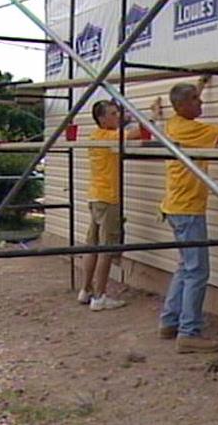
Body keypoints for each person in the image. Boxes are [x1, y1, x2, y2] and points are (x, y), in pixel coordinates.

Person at [157, 80, 218, 354]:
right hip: (188, 209)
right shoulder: (191, 129)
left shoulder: (175, 122)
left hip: (176, 207)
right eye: (195, 100)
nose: (200, 103)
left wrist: (200, 86)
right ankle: (189, 332)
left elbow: (187, 102)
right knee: (198, 271)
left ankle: (169, 321)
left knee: (186, 267)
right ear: (181, 106)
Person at [78, 99, 141, 311]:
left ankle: (86, 290)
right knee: (106, 249)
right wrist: (139, 117)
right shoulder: (108, 137)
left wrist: (124, 120)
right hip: (108, 199)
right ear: (102, 118)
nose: (117, 117)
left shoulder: (96, 135)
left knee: (92, 246)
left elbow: (122, 132)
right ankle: (100, 297)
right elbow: (135, 133)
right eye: (113, 114)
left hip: (95, 197)